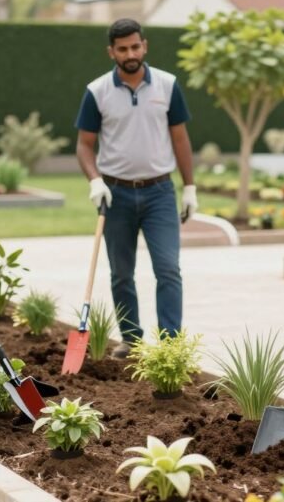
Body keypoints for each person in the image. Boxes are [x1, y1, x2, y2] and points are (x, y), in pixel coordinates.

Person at [75, 18, 197, 358]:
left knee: (168, 269)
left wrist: (189, 187)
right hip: (116, 194)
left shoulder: (168, 85)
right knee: (121, 274)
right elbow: (84, 145)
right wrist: (95, 181)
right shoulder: (97, 91)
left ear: (145, 45)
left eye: (135, 46)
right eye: (122, 48)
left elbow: (180, 138)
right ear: (111, 51)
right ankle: (131, 339)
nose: (130, 53)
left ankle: (170, 346)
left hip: (160, 192)